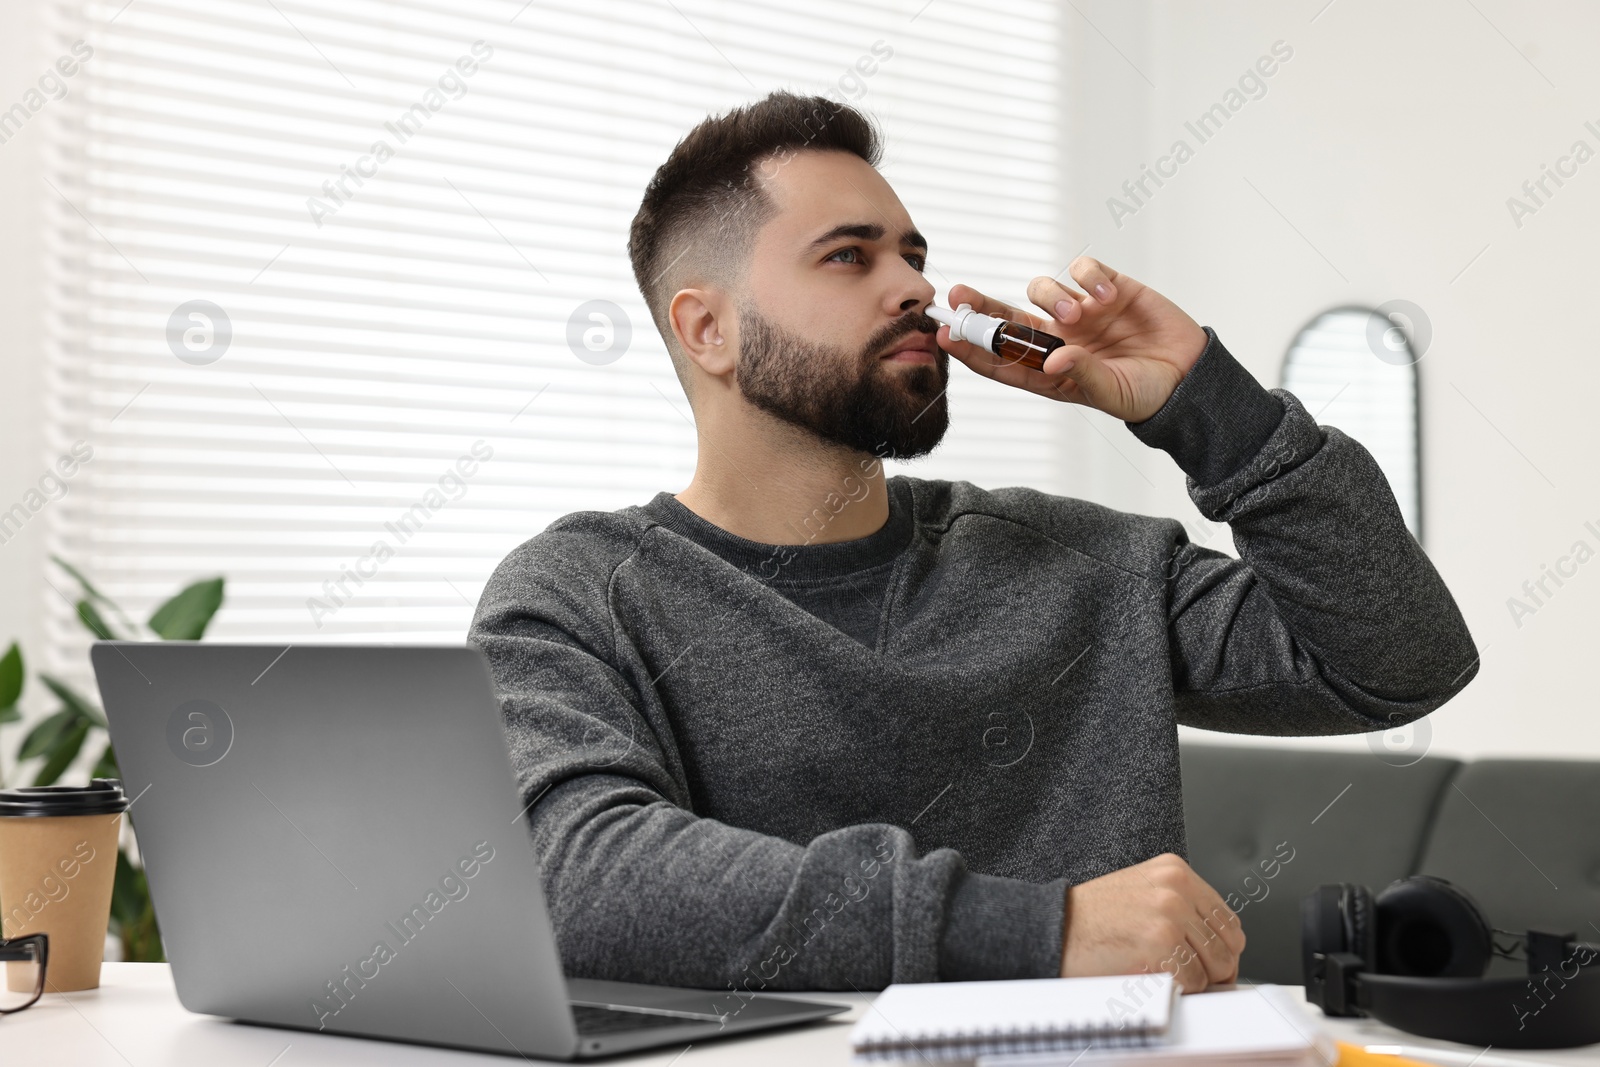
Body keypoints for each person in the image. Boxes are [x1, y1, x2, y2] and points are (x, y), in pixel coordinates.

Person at [468, 90, 1479, 996]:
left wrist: (1206, 407)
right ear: (707, 330)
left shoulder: (1080, 564)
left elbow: (1397, 662)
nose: (913, 287)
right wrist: (1042, 930)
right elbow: (573, 874)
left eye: (914, 254)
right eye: (848, 256)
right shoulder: (580, 591)